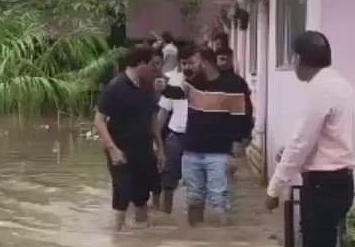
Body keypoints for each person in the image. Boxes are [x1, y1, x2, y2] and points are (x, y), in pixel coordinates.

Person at [264, 31, 355, 247]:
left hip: (323, 183)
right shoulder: (343, 86)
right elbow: (321, 141)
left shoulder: (321, 89)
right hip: (341, 181)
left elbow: (300, 144)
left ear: (299, 59)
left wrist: (274, 188)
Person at [166, 45, 253, 225]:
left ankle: (219, 243)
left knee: (218, 200)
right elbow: (175, 93)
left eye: (193, 62)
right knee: (193, 199)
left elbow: (242, 117)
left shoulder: (233, 84)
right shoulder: (192, 83)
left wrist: (238, 144)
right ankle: (198, 239)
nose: (189, 66)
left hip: (219, 153)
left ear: (204, 63)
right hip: (191, 151)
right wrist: (158, 82)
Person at [95, 47, 166, 232]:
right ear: (141, 64)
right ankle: (116, 238)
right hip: (120, 149)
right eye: (152, 65)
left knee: (142, 196)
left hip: (143, 150)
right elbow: (99, 120)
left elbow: (153, 121)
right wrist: (112, 149)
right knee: (122, 194)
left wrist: (160, 148)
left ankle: (141, 242)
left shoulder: (147, 86)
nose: (155, 70)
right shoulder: (116, 87)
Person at [156, 48, 194, 214]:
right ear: (180, 64)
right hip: (176, 135)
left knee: (196, 181)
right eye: (184, 63)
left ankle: (195, 222)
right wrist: (155, 141)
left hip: (198, 137)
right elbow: (163, 113)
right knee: (168, 179)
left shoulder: (206, 83)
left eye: (191, 63)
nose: (188, 66)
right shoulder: (174, 82)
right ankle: (166, 217)